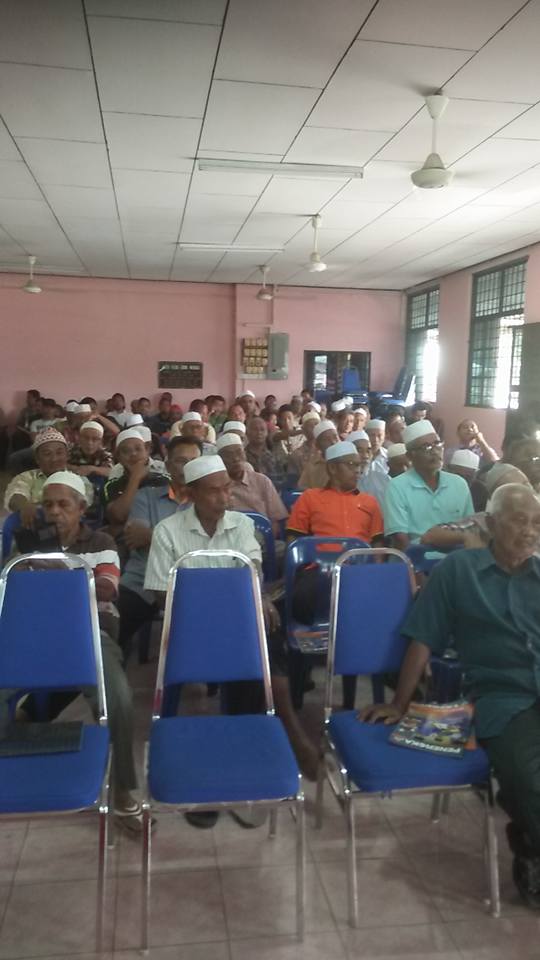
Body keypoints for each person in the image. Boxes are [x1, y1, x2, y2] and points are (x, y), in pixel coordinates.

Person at [361, 484, 540, 909]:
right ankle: (531, 843)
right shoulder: (459, 571)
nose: (530, 531)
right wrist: (399, 704)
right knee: (527, 777)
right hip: (502, 696)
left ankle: (530, 839)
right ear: (491, 524)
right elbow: (423, 637)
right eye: (520, 521)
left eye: (537, 523)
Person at [144, 455, 319, 816]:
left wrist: (254, 600)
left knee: (263, 628)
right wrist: (215, 602)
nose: (224, 497)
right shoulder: (167, 531)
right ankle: (284, 735)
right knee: (252, 636)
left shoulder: (241, 525)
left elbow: (250, 570)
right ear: (191, 494)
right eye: (214, 491)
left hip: (236, 619)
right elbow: (162, 594)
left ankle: (249, 750)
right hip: (190, 623)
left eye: (227, 489)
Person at [28, 472, 140, 833]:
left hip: (90, 632)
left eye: (63, 504)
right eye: (47, 505)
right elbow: (13, 587)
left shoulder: (101, 541)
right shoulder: (31, 542)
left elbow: (106, 588)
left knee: (118, 698)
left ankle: (122, 788)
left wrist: (57, 570)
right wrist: (35, 559)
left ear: (81, 508)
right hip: (35, 635)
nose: (54, 512)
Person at [118, 436, 202, 661]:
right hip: (142, 580)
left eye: (194, 461)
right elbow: (136, 538)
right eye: (181, 461)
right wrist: (186, 542)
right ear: (167, 465)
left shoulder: (207, 502)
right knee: (109, 628)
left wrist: (154, 537)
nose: (188, 468)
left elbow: (205, 545)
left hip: (192, 580)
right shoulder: (146, 496)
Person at [384, 420, 474, 551]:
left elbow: (470, 530)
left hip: (455, 558)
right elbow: (400, 539)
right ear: (410, 456)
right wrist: (417, 562)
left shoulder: (459, 484)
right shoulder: (397, 486)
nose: (435, 451)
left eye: (437, 444)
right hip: (415, 556)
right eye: (426, 447)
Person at [288, 441, 383, 543]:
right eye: (351, 464)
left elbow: (378, 543)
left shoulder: (370, 501)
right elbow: (294, 539)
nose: (357, 470)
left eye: (358, 465)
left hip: (361, 553)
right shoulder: (310, 498)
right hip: (322, 553)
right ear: (332, 468)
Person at [421, 464, 531, 551]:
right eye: (518, 489)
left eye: (526, 484)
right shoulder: (483, 522)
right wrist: (466, 537)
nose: (528, 490)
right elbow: (429, 536)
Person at [4, 428, 93, 525]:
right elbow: (15, 496)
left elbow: (84, 503)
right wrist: (25, 506)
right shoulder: (27, 477)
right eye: (47, 454)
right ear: (37, 459)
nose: (54, 459)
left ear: (67, 456)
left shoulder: (79, 479)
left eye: (59, 453)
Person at [216, 434, 288, 539]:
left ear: (245, 454)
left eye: (239, 452)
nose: (236, 458)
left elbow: (277, 520)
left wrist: (267, 541)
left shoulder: (262, 481)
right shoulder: (216, 487)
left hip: (262, 539)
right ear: (219, 459)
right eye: (228, 455)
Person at [103, 428, 168, 532]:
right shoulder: (112, 485)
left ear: (147, 451)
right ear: (119, 457)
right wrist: (135, 478)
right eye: (126, 451)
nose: (133, 454)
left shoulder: (164, 480)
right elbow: (119, 516)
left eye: (138, 449)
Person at [298, 420, 339, 490]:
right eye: (327, 439)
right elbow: (302, 490)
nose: (333, 442)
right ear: (318, 445)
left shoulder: (348, 461)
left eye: (335, 437)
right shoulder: (312, 467)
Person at [354, 430, 389, 509]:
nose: (365, 456)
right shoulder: (343, 483)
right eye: (359, 451)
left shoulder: (383, 479)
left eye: (368, 451)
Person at [286, 411, 320, 487]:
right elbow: (292, 482)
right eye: (311, 426)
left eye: (316, 424)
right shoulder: (296, 455)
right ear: (304, 430)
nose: (315, 428)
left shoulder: (327, 451)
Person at [244, 416, 282, 483]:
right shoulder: (242, 456)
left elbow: (281, 479)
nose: (259, 432)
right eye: (255, 429)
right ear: (247, 433)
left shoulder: (274, 455)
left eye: (262, 429)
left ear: (267, 433)